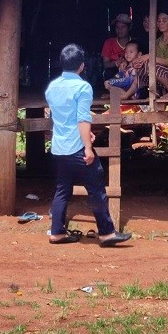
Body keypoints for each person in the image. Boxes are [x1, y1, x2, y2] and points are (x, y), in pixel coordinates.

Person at [45, 44, 132, 247]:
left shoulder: (52, 88)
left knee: (62, 189)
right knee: (96, 188)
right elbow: (82, 119)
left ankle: (57, 232)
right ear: (82, 66)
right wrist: (87, 147)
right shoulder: (83, 87)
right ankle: (107, 233)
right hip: (77, 148)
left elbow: (63, 118)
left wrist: (85, 135)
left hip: (59, 147)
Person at [101, 13, 132, 79]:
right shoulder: (109, 42)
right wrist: (116, 63)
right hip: (116, 75)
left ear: (129, 28)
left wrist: (127, 63)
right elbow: (105, 64)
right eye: (117, 27)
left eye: (123, 27)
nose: (119, 29)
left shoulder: (135, 43)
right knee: (111, 74)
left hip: (131, 72)